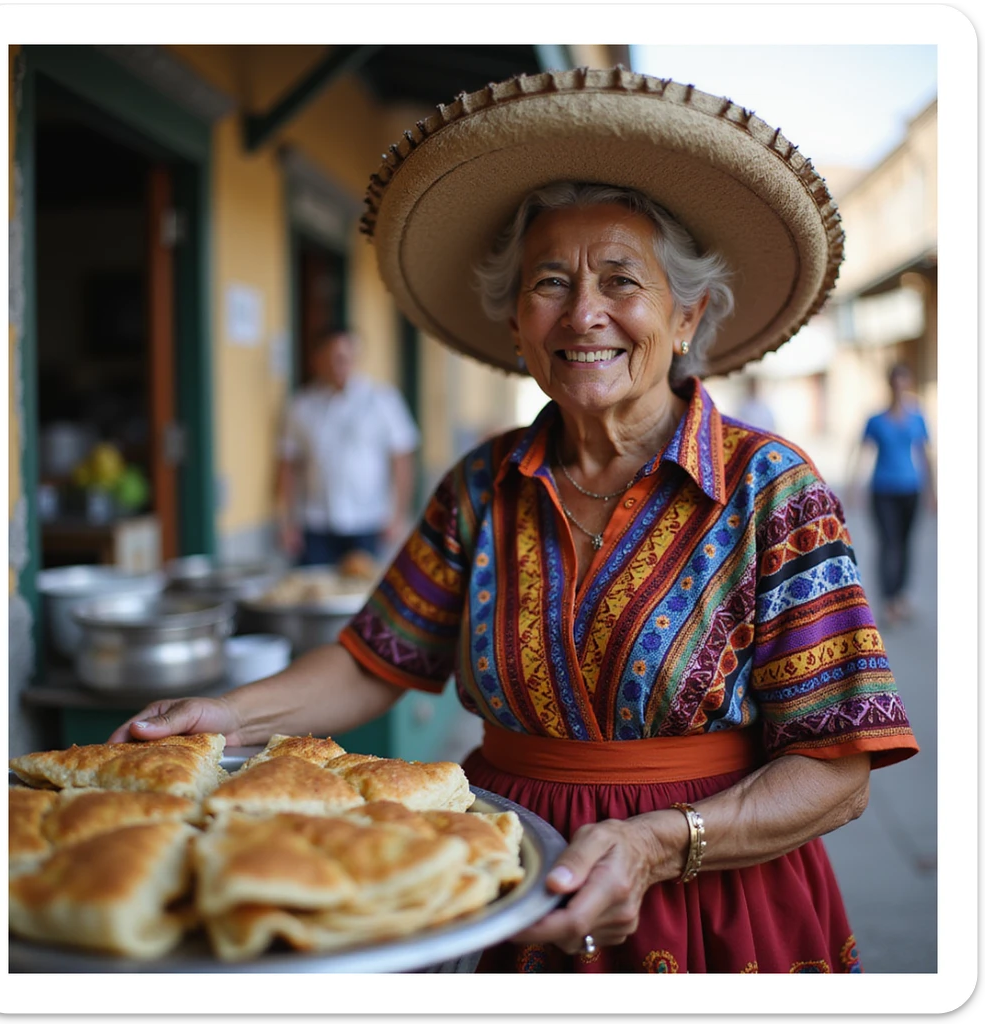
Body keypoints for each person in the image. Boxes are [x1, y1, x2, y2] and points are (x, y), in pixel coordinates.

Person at [111, 68, 919, 974]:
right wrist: (222, 715)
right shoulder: (482, 483)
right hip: (505, 877)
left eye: (623, 280)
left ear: (686, 314)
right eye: (549, 284)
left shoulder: (771, 489)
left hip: (715, 903)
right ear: (515, 327)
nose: (584, 313)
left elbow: (841, 766)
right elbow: (374, 660)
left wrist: (661, 842)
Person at [275, 328, 420, 566]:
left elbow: (402, 460)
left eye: (344, 357)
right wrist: (286, 522)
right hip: (316, 522)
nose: (338, 365)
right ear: (318, 360)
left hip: (369, 521)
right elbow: (288, 465)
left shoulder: (383, 400)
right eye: (331, 358)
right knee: (314, 594)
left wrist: (398, 517)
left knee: (365, 594)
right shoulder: (302, 406)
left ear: (356, 358)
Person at [848, 362, 935, 627]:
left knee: (906, 543)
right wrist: (855, 486)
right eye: (895, 382)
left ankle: (900, 595)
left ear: (907, 384)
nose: (899, 387)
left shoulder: (917, 417)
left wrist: (933, 490)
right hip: (882, 489)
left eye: (903, 382)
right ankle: (888, 601)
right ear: (890, 385)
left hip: (911, 488)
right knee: (888, 543)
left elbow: (925, 455)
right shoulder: (876, 420)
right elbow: (862, 453)